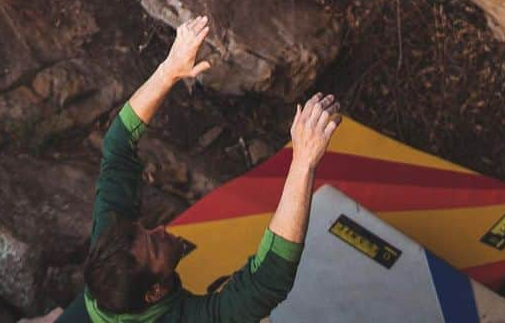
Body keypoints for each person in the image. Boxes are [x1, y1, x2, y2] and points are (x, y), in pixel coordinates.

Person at [54, 16, 340, 321]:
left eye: (147, 230)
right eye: (155, 245)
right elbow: (266, 283)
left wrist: (169, 70)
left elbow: (118, 145)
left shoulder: (111, 252)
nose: (161, 229)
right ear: (155, 293)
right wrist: (304, 162)